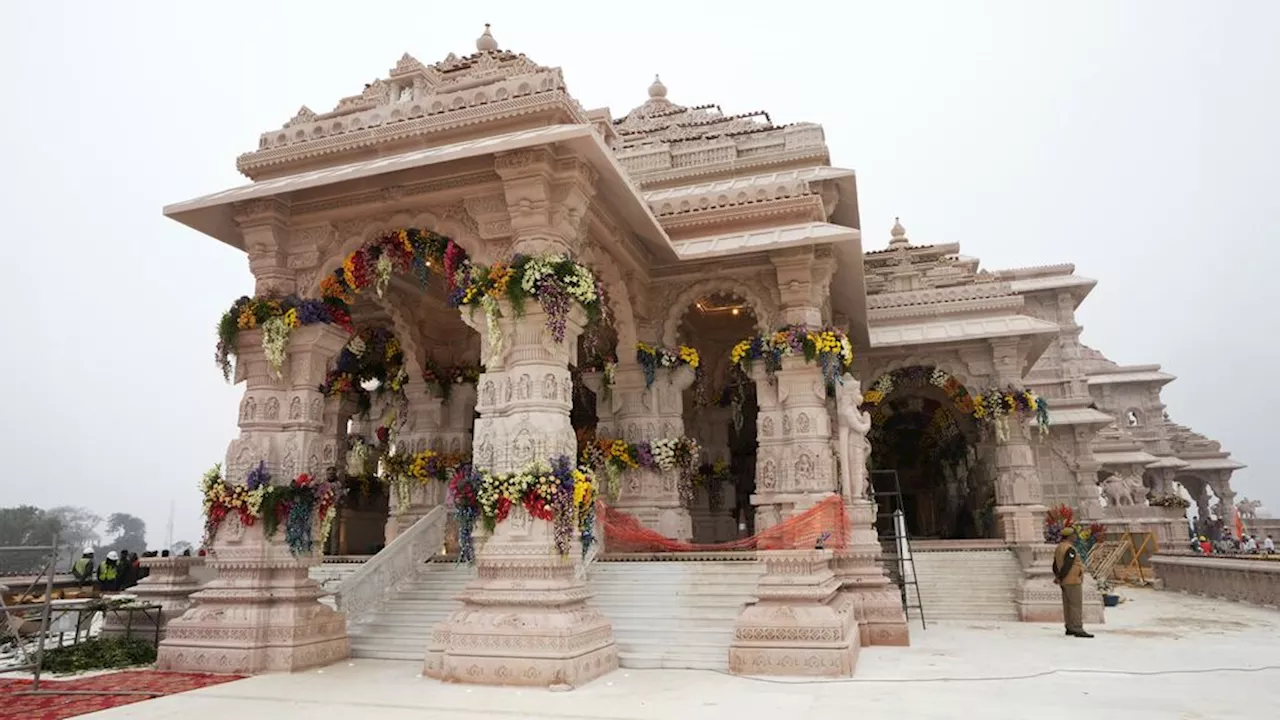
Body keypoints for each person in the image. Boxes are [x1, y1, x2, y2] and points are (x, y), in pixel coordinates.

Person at [1052, 526, 1093, 638]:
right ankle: (1077, 627)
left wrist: (1058, 576)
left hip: (1065, 580)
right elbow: (1068, 564)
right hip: (1072, 579)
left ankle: (1069, 626)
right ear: (1070, 536)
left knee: (1067, 604)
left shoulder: (1059, 547)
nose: (1075, 537)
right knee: (1075, 605)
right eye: (1074, 535)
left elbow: (1055, 564)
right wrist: (1061, 577)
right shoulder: (1069, 549)